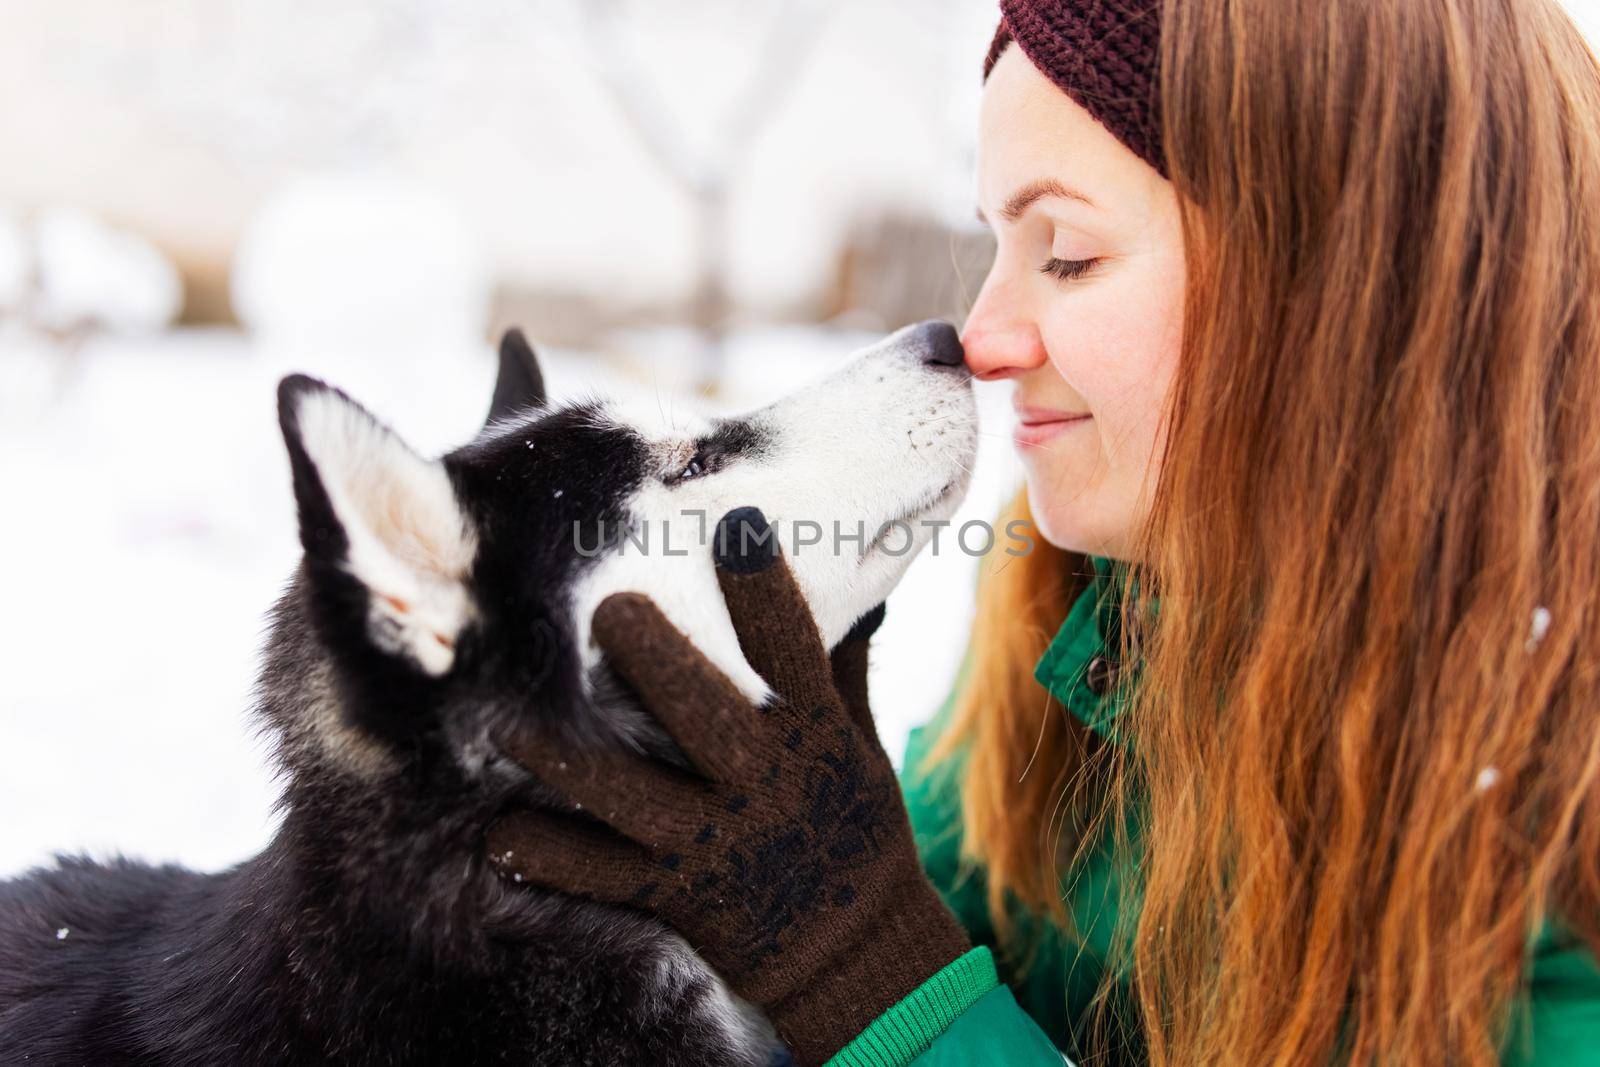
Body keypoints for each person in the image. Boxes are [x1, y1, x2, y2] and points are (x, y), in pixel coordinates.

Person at [489, 0, 1600, 1063]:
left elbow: (878, 972)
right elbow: (910, 915)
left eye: (1065, 251)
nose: (982, 337)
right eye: (995, 247)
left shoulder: (1561, 813)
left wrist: (873, 974)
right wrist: (795, 872)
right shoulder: (1088, 602)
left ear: (1338, 284)